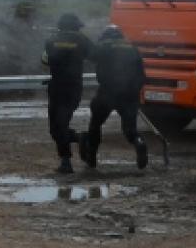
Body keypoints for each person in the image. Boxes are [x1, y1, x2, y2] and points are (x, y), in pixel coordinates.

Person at [81, 24, 148, 170]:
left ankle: (91, 157)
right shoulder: (133, 49)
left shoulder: (104, 47)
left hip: (107, 92)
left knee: (95, 124)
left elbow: (89, 55)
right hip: (130, 94)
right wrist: (134, 91)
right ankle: (139, 143)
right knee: (130, 129)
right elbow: (142, 76)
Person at [40, 12, 93, 174]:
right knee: (58, 127)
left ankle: (66, 162)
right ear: (76, 26)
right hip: (74, 88)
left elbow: (44, 60)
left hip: (57, 88)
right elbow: (93, 56)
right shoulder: (83, 40)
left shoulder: (50, 41)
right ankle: (80, 139)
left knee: (58, 126)